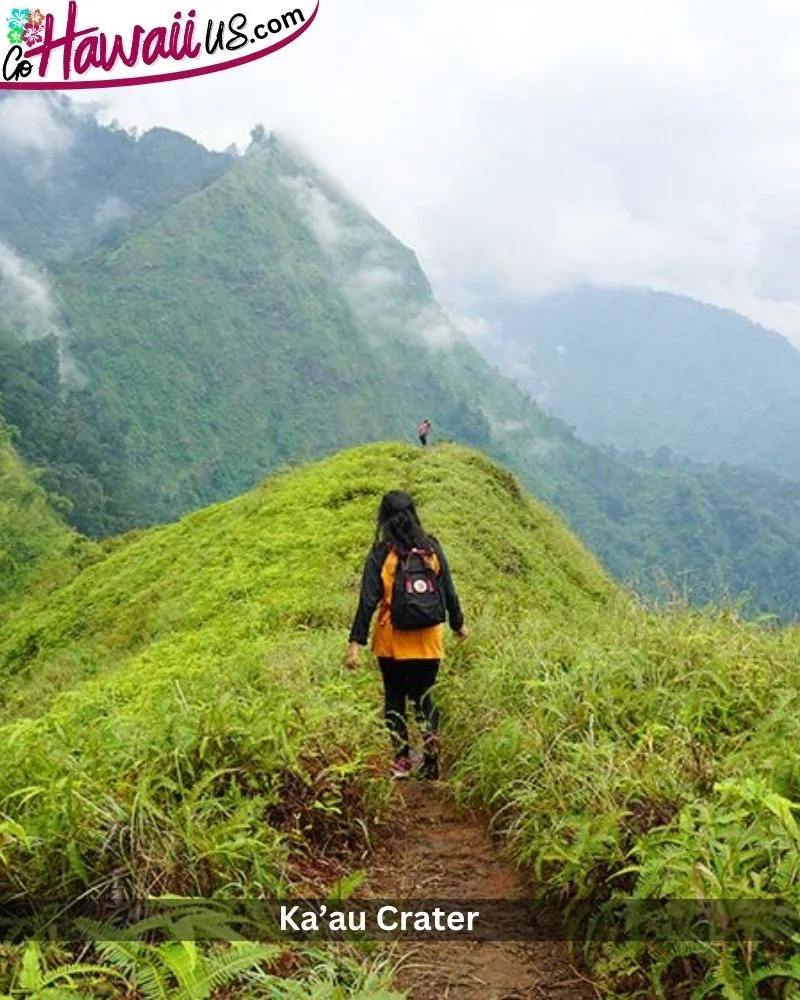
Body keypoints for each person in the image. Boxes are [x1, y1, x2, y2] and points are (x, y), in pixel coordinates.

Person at [345, 491, 468, 780]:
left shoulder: (380, 553)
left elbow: (367, 601)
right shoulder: (432, 548)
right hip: (428, 639)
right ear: (413, 514)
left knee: (395, 699)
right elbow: (449, 591)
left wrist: (354, 645)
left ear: (383, 517)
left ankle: (401, 761)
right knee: (425, 697)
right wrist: (458, 626)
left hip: (391, 641)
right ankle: (431, 752)